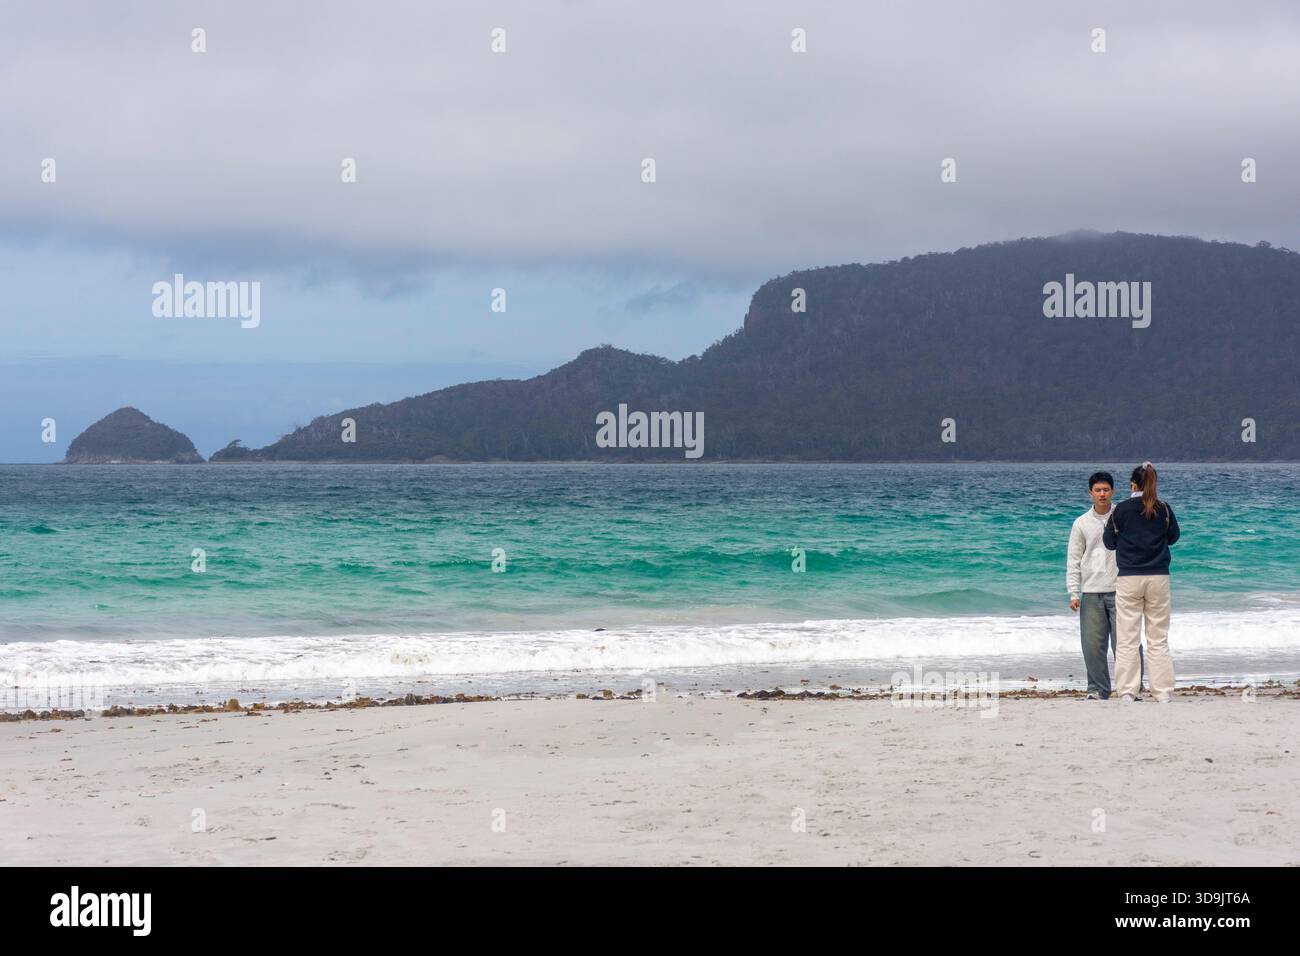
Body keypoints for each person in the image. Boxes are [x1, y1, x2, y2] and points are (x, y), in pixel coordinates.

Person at [1103, 462, 1181, 703]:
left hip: (1129, 577)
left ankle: (1127, 690)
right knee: (1158, 636)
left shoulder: (1122, 510)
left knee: (1127, 636)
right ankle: (1163, 692)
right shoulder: (1164, 509)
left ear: (1133, 485)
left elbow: (1109, 542)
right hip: (1158, 576)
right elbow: (1173, 537)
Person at [1066, 471, 1125, 698]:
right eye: (1098, 490)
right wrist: (1073, 592)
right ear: (1090, 493)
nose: (1102, 494)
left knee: (1126, 645)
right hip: (1091, 591)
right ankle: (1098, 689)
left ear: (1113, 492)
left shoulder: (1122, 516)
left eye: (1106, 490)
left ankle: (1130, 687)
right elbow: (1073, 559)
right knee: (1092, 647)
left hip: (1121, 589)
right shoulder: (1081, 523)